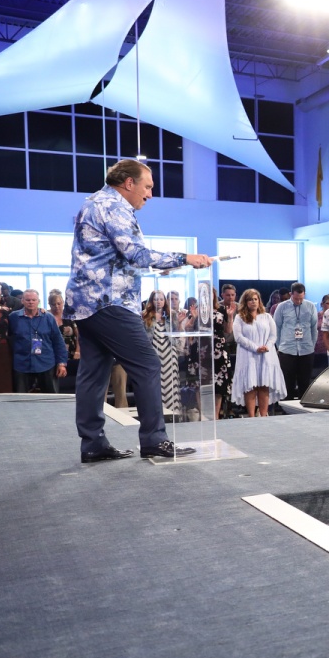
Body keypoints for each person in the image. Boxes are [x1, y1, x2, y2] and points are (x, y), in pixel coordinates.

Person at [63, 160, 212, 461]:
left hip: (86, 303)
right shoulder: (113, 206)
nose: (150, 194)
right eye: (148, 187)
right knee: (147, 365)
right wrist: (185, 258)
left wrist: (154, 268)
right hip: (110, 302)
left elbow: (114, 257)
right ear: (128, 183)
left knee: (93, 374)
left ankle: (92, 444)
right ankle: (154, 439)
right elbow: (137, 253)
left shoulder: (94, 202)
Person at [230, 289, 286, 417]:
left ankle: (263, 415)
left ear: (259, 301)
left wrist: (267, 346)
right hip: (248, 355)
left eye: (255, 299)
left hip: (266, 355)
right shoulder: (239, 318)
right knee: (250, 385)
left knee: (264, 384)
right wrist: (255, 348)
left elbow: (273, 335)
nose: (253, 302)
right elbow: (238, 337)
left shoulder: (267, 316)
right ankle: (251, 416)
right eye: (250, 300)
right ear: (245, 302)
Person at [9, 289, 66, 393]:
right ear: (22, 301)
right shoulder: (13, 317)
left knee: (51, 398)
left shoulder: (48, 317)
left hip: (46, 363)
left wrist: (61, 363)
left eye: (34, 300)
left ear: (38, 301)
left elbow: (58, 341)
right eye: (28, 300)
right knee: (20, 399)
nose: (31, 302)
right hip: (22, 364)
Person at [274, 282, 317, 401]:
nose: (298, 301)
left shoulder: (310, 306)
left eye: (301, 298)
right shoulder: (281, 307)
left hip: (306, 350)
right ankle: (287, 408)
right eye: (296, 298)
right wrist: (280, 346)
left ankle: (304, 407)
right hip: (287, 350)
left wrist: (312, 346)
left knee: (305, 382)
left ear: (304, 294)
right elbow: (276, 327)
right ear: (290, 294)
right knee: (288, 382)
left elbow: (314, 328)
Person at [141, 291, 181, 419]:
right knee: (155, 384)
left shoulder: (171, 315)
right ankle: (156, 413)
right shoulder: (145, 316)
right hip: (154, 353)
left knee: (171, 384)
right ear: (151, 301)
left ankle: (173, 413)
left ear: (165, 302)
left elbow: (176, 336)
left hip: (169, 353)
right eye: (156, 299)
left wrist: (179, 323)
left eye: (161, 299)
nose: (158, 302)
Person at [211, 291, 234, 418]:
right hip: (202, 348)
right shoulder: (196, 309)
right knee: (202, 383)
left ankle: (215, 415)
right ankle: (204, 416)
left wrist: (230, 317)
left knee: (219, 383)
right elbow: (189, 328)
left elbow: (228, 330)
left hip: (219, 348)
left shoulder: (221, 309)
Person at [48, 289, 79, 380]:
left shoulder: (70, 316)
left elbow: (79, 335)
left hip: (71, 354)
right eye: (53, 304)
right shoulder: (46, 316)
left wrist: (78, 351)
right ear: (49, 304)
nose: (56, 306)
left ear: (63, 303)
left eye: (59, 303)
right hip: (52, 355)